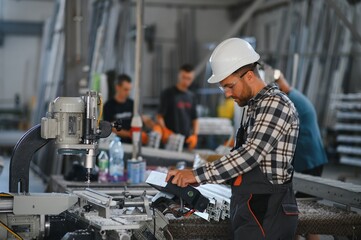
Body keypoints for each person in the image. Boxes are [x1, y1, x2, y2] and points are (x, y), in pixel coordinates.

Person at [166, 38, 300, 240]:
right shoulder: (254, 107)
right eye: (223, 88)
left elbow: (250, 155)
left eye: (229, 86)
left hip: (268, 212)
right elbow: (242, 161)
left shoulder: (275, 105)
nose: (227, 94)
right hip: (250, 207)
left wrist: (197, 175)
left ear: (249, 76)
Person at [156, 64, 199, 150]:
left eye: (189, 78)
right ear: (179, 75)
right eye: (184, 77)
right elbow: (159, 116)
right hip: (170, 139)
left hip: (186, 140)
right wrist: (164, 130)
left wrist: (195, 135)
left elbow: (195, 118)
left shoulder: (191, 96)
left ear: (192, 79)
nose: (186, 81)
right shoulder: (168, 93)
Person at [103, 74, 134, 143]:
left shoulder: (132, 104)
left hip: (131, 143)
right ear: (117, 87)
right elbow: (111, 127)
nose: (128, 93)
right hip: (115, 143)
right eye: (125, 89)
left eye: (129, 90)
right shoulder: (109, 106)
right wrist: (129, 134)